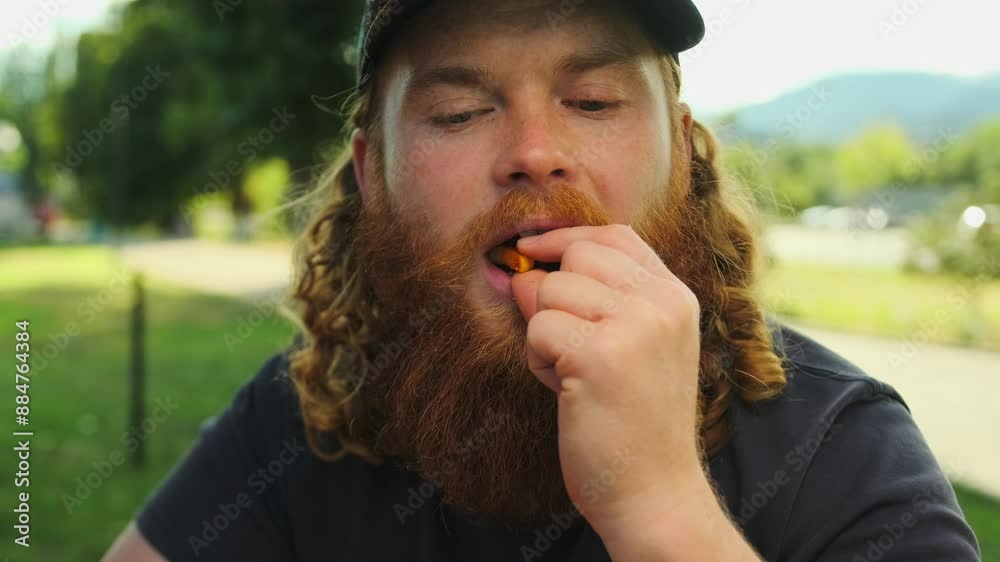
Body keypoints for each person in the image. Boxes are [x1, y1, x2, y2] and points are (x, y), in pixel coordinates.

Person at [102, 0, 981, 560]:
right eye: (459, 112)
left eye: (593, 101)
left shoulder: (841, 452)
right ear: (373, 177)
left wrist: (660, 505)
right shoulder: (305, 423)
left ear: (683, 154)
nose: (535, 152)